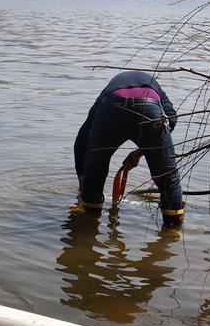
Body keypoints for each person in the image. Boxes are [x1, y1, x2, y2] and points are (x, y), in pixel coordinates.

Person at [74, 70, 184, 229]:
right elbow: (172, 118)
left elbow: (82, 137)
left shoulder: (108, 90)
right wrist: (143, 151)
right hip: (149, 108)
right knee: (167, 176)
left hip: (111, 108)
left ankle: (88, 226)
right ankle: (173, 230)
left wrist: (82, 181)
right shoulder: (154, 86)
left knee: (95, 171)